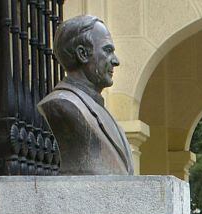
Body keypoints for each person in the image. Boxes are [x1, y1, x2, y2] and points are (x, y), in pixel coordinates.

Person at [38, 15, 134, 175]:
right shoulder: (64, 104)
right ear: (82, 54)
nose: (116, 61)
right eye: (107, 50)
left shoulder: (102, 112)